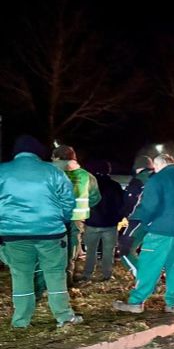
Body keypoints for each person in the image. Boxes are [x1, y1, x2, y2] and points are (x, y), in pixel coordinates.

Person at [0, 136, 82, 328]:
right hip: (50, 233)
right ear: (37, 153)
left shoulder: (2, 171)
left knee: (21, 275)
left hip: (13, 234)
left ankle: (20, 321)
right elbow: (68, 201)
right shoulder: (52, 172)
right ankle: (64, 317)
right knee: (55, 274)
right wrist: (60, 220)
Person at [113, 154, 174, 314]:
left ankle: (136, 302)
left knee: (150, 265)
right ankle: (173, 304)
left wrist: (147, 223)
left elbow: (149, 207)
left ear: (159, 165)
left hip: (161, 231)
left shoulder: (157, 180)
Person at [52, 145, 101, 285]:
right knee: (71, 249)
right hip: (77, 219)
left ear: (57, 158)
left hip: (56, 218)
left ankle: (52, 282)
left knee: (53, 248)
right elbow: (95, 198)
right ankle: (67, 280)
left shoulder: (52, 173)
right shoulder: (86, 176)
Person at [82, 161, 124, 282]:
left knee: (90, 250)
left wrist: (85, 217)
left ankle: (87, 274)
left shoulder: (89, 185)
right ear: (108, 171)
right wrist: (118, 218)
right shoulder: (115, 185)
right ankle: (107, 275)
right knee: (108, 251)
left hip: (92, 223)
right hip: (110, 224)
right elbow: (121, 204)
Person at [119, 155, 154, 276]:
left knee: (125, 250)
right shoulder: (159, 179)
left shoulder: (139, 180)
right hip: (158, 222)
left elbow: (131, 202)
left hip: (138, 219)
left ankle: (146, 279)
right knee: (151, 252)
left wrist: (123, 215)